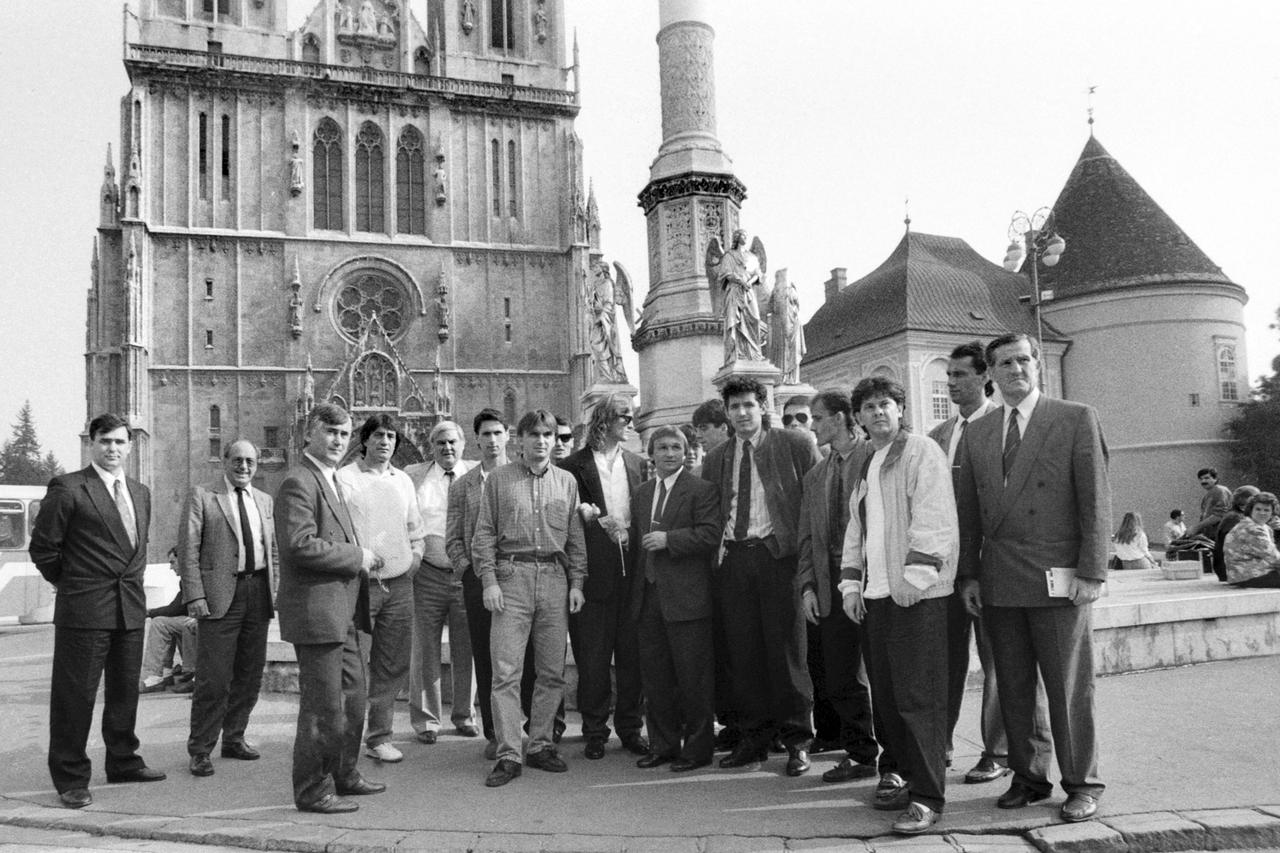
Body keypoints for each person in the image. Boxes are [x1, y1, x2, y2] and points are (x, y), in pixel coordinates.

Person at [955, 333, 1111, 824]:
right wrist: (969, 575)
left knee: (1068, 688)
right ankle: (1028, 776)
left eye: (1023, 359)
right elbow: (969, 513)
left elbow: (1096, 501)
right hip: (1000, 580)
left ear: (1037, 364)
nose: (1015, 368)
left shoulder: (1073, 417)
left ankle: (1082, 783)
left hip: (1060, 579)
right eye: (1004, 363)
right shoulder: (979, 432)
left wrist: (1092, 571)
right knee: (1015, 688)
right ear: (991, 374)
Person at [927, 341, 1049, 787]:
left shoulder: (1001, 429)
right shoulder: (939, 434)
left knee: (1000, 662)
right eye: (948, 377)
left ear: (985, 377)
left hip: (990, 566)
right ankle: (938, 745)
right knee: (944, 660)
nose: (952, 384)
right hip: (947, 567)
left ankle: (995, 751)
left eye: (960, 375)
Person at [838, 376, 957, 835]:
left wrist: (917, 576)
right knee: (887, 699)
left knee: (918, 700)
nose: (877, 413)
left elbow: (934, 516)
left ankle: (928, 797)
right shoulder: (870, 461)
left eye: (885, 404)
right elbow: (857, 531)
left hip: (915, 596)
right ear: (860, 418)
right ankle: (903, 775)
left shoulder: (921, 451)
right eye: (868, 408)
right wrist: (851, 586)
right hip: (877, 599)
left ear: (901, 409)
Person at [29, 413, 165, 809]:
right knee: (76, 697)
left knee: (125, 693)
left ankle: (123, 760)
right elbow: (44, 549)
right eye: (105, 441)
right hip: (85, 611)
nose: (113, 449)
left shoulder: (140, 491)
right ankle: (71, 777)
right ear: (92, 443)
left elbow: (135, 548)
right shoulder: (69, 488)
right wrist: (74, 585)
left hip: (129, 610)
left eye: (120, 442)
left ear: (130, 446)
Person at [701, 376, 820, 775]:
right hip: (735, 559)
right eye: (734, 407)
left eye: (748, 405)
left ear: (763, 406)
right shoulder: (717, 457)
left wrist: (809, 564)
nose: (741, 413)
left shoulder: (795, 444)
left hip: (778, 557)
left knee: (788, 651)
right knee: (744, 653)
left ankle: (797, 739)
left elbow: (814, 501)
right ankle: (753, 738)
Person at [276, 402, 385, 814]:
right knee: (323, 707)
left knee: (354, 699)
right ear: (309, 434)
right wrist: (357, 556)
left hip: (343, 613)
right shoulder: (299, 481)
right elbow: (299, 545)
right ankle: (312, 790)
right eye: (330, 432)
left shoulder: (332, 480)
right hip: (317, 613)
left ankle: (345, 773)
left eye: (344, 433)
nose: (339, 440)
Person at [473, 410, 587, 787]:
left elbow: (574, 538)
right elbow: (484, 533)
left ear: (555, 440)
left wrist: (577, 583)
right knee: (506, 672)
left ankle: (539, 745)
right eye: (533, 435)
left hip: (555, 580)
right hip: (511, 578)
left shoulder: (567, 482)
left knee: (552, 671)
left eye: (547, 435)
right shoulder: (499, 480)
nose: (540, 441)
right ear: (518, 439)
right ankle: (508, 753)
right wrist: (488, 581)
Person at [447, 409, 562, 761]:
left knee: (537, 661)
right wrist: (477, 575)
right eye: (486, 434)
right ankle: (498, 736)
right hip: (485, 581)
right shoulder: (465, 485)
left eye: (498, 432)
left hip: (529, 579)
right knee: (492, 659)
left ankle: (539, 733)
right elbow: (456, 538)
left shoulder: (535, 475)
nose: (493, 439)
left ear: (507, 436)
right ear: (477, 439)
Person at [179, 440, 278, 777]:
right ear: (225, 461)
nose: (244, 467)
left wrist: (273, 590)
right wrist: (194, 595)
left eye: (250, 461)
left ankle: (234, 737)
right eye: (237, 460)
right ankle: (201, 749)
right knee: (214, 678)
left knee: (250, 674)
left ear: (257, 464)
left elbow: (272, 550)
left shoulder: (264, 501)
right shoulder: (204, 496)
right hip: (221, 597)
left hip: (257, 593)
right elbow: (188, 550)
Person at [796, 391, 880, 784]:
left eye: (818, 418)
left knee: (884, 674)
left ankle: (902, 757)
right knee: (840, 674)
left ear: (843, 417)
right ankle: (861, 753)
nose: (812, 426)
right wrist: (808, 587)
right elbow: (806, 539)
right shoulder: (816, 474)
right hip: (830, 585)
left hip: (874, 579)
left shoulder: (876, 457)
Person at [559, 393, 648, 759]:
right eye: (625, 418)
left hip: (633, 576)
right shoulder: (571, 467)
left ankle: (630, 728)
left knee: (632, 659)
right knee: (592, 660)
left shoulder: (637, 463)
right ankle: (595, 731)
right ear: (605, 421)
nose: (631, 423)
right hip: (593, 575)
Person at [629, 426, 721, 771]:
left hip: (687, 598)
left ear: (685, 452)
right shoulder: (641, 494)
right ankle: (663, 745)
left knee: (693, 678)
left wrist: (671, 540)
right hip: (649, 597)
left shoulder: (701, 489)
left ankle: (697, 750)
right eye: (662, 448)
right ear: (651, 453)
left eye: (676, 447)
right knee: (656, 678)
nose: (669, 453)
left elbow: (711, 533)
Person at [340, 416, 426, 763]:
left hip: (399, 584)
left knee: (392, 664)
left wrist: (415, 557)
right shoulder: (345, 479)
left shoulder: (403, 480)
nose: (385, 442)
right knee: (354, 666)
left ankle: (379, 736)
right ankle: (346, 741)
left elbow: (415, 527)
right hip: (360, 585)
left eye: (391, 436)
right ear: (365, 439)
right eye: (378, 435)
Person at [404, 421, 474, 748]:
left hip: (465, 573)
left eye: (452, 442)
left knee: (467, 648)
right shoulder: (413, 475)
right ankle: (427, 721)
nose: (447, 448)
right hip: (427, 573)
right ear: (431, 446)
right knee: (423, 649)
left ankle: (464, 716)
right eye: (441, 443)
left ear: (462, 445)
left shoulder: (476, 474)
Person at [690, 397, 736, 750]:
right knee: (724, 650)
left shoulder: (733, 458)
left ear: (724, 427)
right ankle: (731, 723)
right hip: (715, 567)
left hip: (736, 560)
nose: (699, 437)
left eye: (704, 429)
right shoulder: (708, 464)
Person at [140, 549, 197, 696]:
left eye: (173, 562)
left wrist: (149, 612)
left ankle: (191, 674)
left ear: (183, 560)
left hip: (205, 620)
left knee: (165, 624)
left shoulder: (194, 576)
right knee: (161, 623)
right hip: (194, 619)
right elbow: (177, 607)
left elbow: (176, 608)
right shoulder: (186, 579)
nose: (171, 567)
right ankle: (162, 675)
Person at [1223, 491, 1280, 587]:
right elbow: (1273, 557)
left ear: (1272, 513)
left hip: (1247, 573)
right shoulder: (1252, 529)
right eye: (1258, 509)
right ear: (1250, 510)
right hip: (1250, 575)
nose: (1262, 513)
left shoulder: (1259, 526)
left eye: (1266, 510)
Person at [1211, 486, 1259, 582]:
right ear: (1242, 499)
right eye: (1255, 498)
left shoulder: (1238, 516)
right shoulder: (1234, 518)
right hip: (1231, 570)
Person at [1187, 467, 1232, 540]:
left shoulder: (1220, 490)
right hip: (1211, 537)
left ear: (1215, 479)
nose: (1203, 481)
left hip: (1221, 537)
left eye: (1206, 478)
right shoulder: (1208, 495)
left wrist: (1196, 527)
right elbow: (1205, 518)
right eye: (1201, 479)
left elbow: (1219, 515)